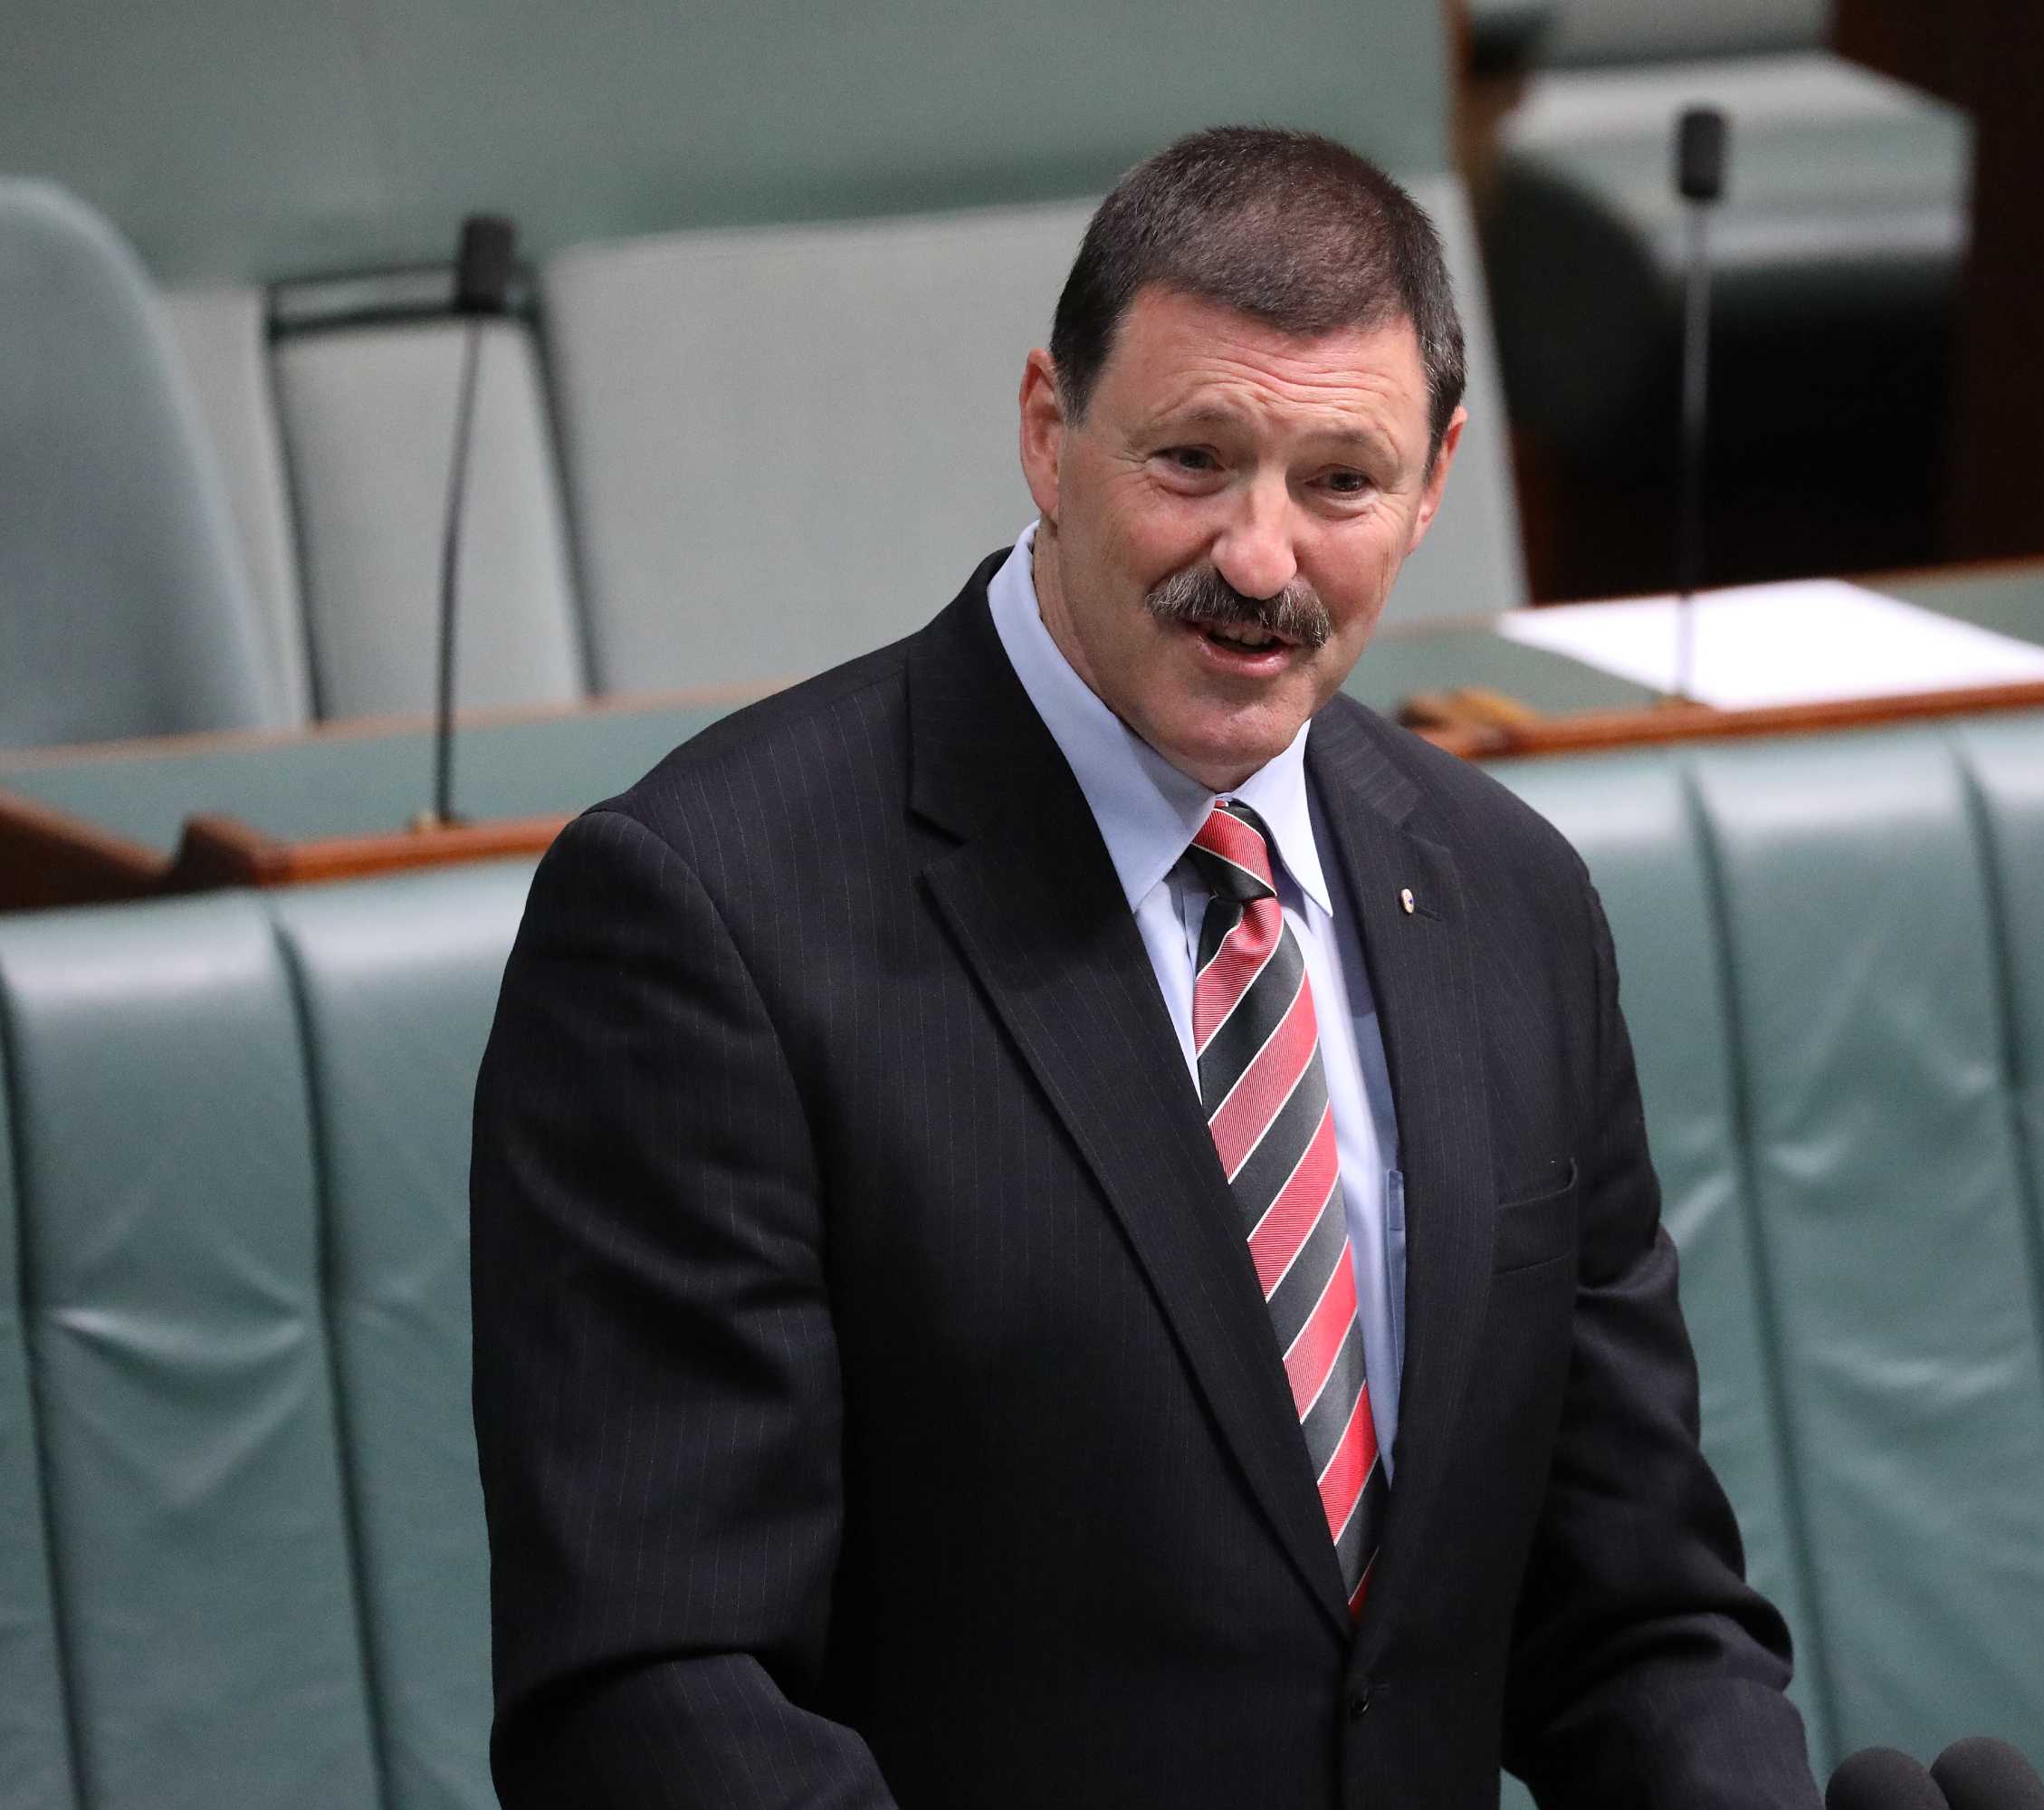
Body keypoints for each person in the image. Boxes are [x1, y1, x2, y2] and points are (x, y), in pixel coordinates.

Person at [471, 125, 1820, 1809]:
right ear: (1049, 431)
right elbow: (656, 1691)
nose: (1260, 560)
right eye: (1194, 459)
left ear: (1434, 482)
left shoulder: (1509, 900)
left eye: (1339, 482)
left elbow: (1633, 1616)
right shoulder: (707, 920)